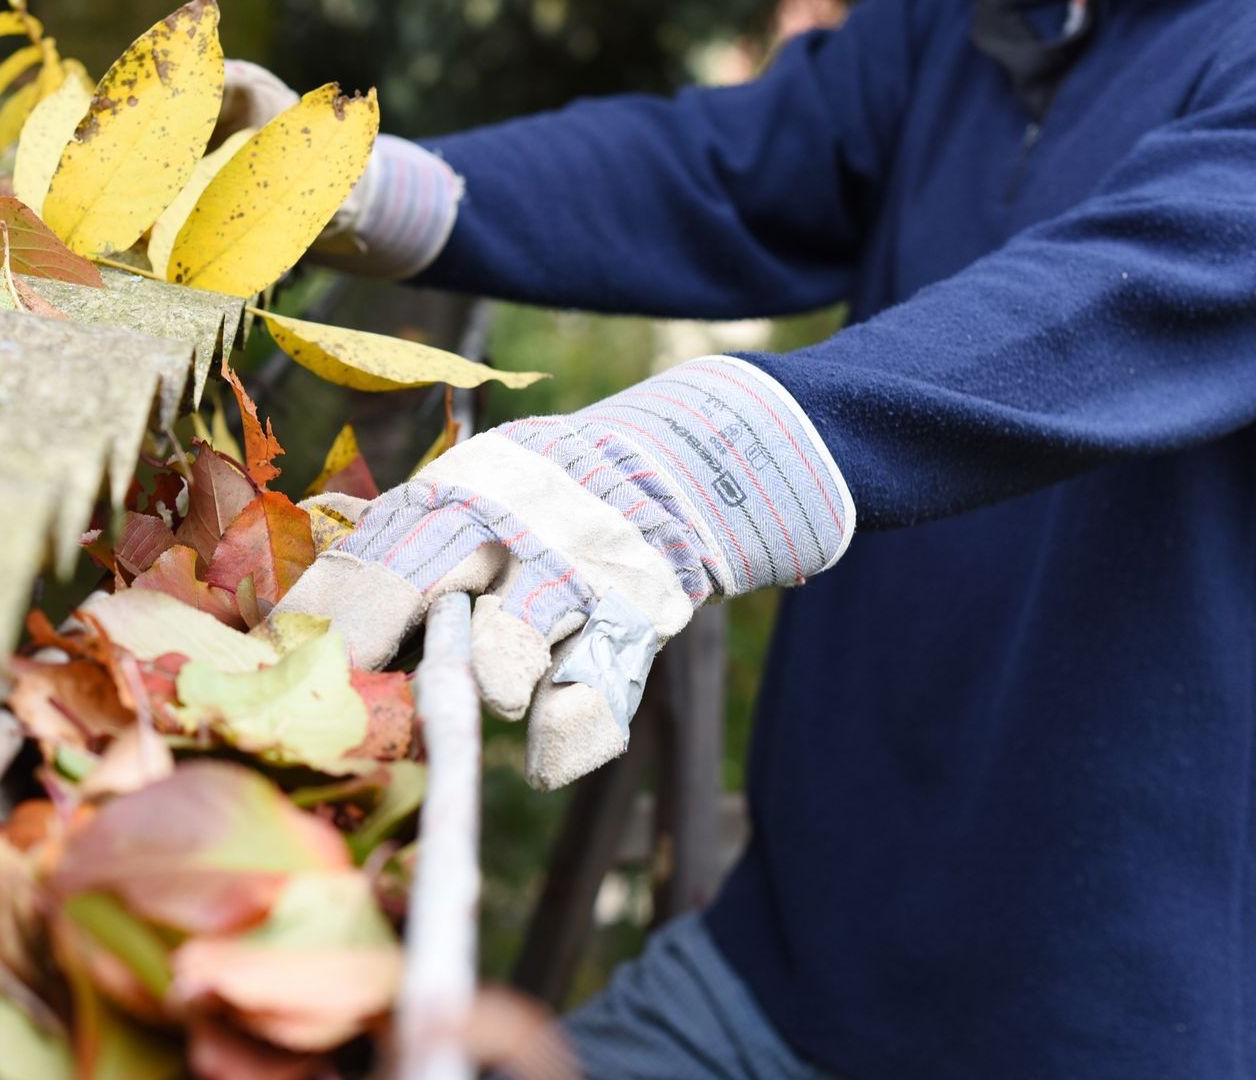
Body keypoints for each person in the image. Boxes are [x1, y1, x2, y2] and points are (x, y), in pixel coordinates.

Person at [240, 0, 1256, 1076]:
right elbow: (724, 171)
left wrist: (710, 459)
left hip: (1108, 1032)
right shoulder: (964, 23)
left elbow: (1167, 273)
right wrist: (366, 186)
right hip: (773, 975)